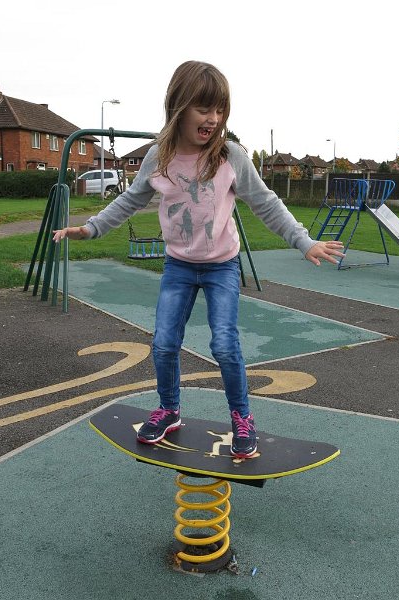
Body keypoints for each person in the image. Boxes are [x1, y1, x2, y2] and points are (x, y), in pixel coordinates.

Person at [53, 60, 344, 458]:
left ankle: (242, 417)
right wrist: (91, 228)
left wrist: (302, 240)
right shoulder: (158, 158)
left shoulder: (230, 156)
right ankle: (169, 409)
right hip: (179, 266)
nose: (213, 119)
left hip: (222, 265)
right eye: (204, 109)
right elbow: (129, 200)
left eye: (220, 110)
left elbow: (266, 202)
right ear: (179, 107)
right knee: (163, 343)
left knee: (224, 344)